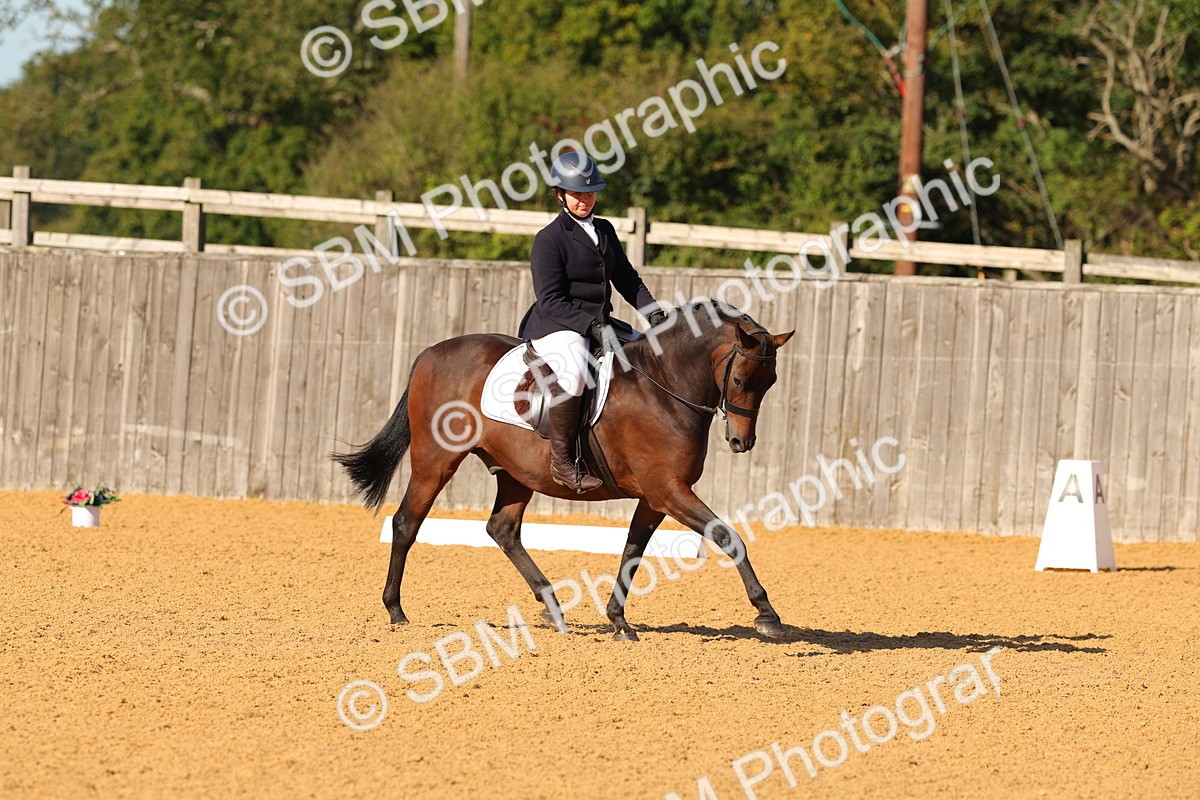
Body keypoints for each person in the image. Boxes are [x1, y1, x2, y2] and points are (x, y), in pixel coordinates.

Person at [517, 151, 667, 493]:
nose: (584, 200)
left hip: (601, 323)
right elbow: (550, 300)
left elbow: (627, 278)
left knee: (649, 353)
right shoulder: (549, 239)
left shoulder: (605, 229)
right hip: (558, 326)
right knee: (574, 372)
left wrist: (653, 313)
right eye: (577, 194)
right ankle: (562, 463)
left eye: (590, 193)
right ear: (560, 194)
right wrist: (592, 327)